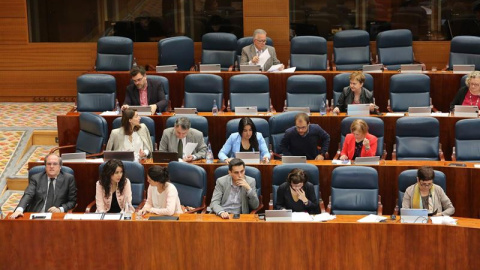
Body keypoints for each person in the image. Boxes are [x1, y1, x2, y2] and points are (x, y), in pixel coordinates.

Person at [10, 154, 77, 219]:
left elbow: (72, 201)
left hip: (57, 217)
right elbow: (28, 194)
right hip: (37, 214)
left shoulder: (68, 179)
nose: (51, 166)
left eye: (55, 164)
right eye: (49, 164)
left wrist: (60, 209)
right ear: (45, 166)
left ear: (60, 166)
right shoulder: (36, 178)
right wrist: (19, 210)